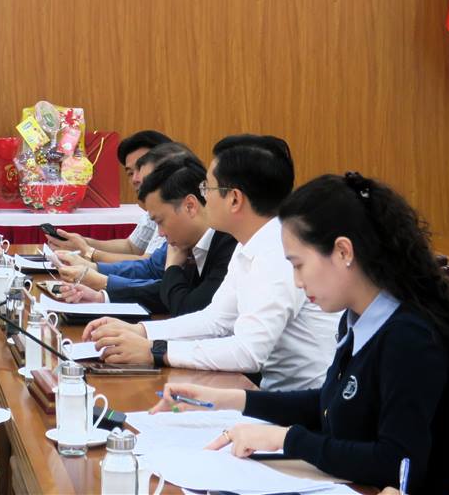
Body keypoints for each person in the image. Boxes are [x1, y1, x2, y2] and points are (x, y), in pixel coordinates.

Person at [152, 173, 449, 493]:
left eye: (299, 265)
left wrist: (287, 439)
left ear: (343, 252)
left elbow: (395, 462)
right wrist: (226, 400)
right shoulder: (356, 319)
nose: (297, 281)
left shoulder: (410, 338)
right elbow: (331, 403)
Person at [84, 135, 337, 390]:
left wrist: (155, 351)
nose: (203, 196)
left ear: (234, 199)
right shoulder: (249, 243)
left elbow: (248, 352)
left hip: (302, 404)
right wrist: (139, 332)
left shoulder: (279, 251)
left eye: (208, 188)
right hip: (269, 393)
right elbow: (215, 320)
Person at [57, 154, 237, 316]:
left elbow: (189, 309)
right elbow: (166, 293)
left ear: (190, 206)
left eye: (160, 221)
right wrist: (101, 297)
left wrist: (172, 267)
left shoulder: (229, 243)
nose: (161, 233)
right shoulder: (191, 241)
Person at [51, 141, 194, 293]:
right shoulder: (162, 211)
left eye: (146, 176)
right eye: (131, 173)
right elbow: (137, 252)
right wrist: (88, 253)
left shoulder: (180, 219)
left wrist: (94, 263)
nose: (136, 179)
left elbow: (156, 275)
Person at [46, 130, 172, 263]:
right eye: (130, 173)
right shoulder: (154, 204)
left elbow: (149, 265)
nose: (135, 179)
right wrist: (83, 243)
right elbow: (132, 247)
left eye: (141, 169)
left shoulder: (173, 203)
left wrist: (89, 253)